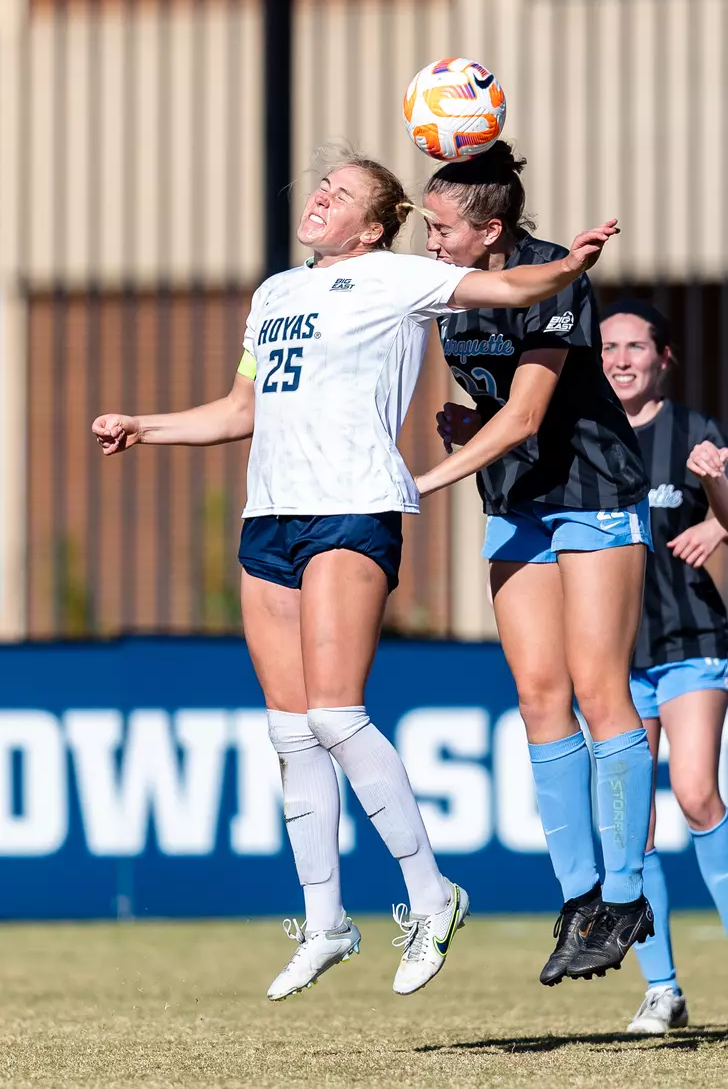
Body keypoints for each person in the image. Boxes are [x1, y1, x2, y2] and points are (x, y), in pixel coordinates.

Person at [92, 147, 616, 1002]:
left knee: (337, 715)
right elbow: (240, 411)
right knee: (291, 731)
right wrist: (143, 426)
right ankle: (328, 922)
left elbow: (513, 290)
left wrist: (568, 264)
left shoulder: (396, 277)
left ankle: (431, 896)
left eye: (341, 195)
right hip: (271, 515)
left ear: (374, 226)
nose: (321, 198)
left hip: (352, 505)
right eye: (320, 189)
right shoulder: (274, 294)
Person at [421, 141, 653, 985]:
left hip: (592, 492)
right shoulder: (449, 293)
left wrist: (420, 481)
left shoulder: (555, 274)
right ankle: (581, 897)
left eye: (441, 227)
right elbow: (493, 409)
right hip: (515, 502)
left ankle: (626, 898)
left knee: (598, 689)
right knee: (537, 696)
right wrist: (462, 422)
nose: (430, 239)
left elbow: (523, 416)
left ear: (491, 231)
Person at [600, 300, 728, 1034]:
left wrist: (716, 503)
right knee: (633, 827)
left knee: (695, 792)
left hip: (689, 639)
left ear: (663, 358)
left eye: (635, 347)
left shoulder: (693, 434)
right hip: (616, 654)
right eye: (610, 346)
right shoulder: (587, 435)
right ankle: (662, 990)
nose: (620, 359)